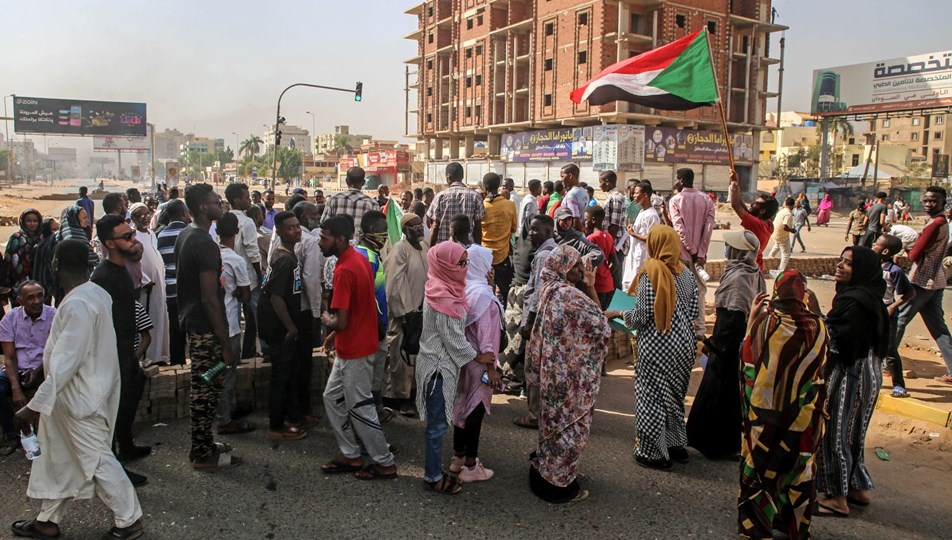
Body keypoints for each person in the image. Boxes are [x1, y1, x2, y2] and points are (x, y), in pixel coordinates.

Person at [10, 239, 143, 540]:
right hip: (79, 393)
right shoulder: (95, 293)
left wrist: (34, 406)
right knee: (61, 456)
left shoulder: (78, 304)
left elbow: (67, 361)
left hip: (78, 397)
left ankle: (129, 519)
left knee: (96, 458)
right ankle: (47, 520)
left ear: (56, 265)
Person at [738, 270, 829, 539]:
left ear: (777, 292)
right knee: (797, 469)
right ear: (801, 294)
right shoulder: (819, 328)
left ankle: (756, 528)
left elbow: (748, 363)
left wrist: (752, 318)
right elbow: (820, 372)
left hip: (764, 416)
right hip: (801, 416)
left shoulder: (766, 324)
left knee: (760, 468)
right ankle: (792, 525)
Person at [607, 226, 698, 470]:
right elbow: (694, 311)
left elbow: (642, 314)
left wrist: (620, 313)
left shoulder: (651, 272)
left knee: (651, 397)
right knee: (675, 396)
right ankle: (676, 444)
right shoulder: (686, 273)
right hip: (685, 344)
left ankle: (653, 454)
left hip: (658, 344)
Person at [529, 244, 609, 503]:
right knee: (572, 430)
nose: (578, 270)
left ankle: (548, 471)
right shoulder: (569, 296)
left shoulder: (550, 289)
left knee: (553, 424)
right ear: (562, 267)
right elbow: (601, 325)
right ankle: (559, 485)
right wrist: (591, 285)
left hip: (552, 374)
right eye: (574, 266)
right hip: (572, 379)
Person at [319, 216, 397, 480]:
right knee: (331, 398)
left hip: (356, 349)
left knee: (359, 406)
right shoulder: (359, 259)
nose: (321, 242)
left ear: (340, 239)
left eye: (325, 237)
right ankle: (351, 454)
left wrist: (326, 320)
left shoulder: (344, 269)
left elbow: (339, 320)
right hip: (353, 345)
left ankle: (383, 461)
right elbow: (363, 305)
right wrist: (334, 336)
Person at [412, 241, 492, 494]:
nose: (465, 268)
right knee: (436, 427)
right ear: (446, 265)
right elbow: (453, 339)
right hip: (438, 368)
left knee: (438, 425)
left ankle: (434, 472)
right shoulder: (444, 297)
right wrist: (478, 357)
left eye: (467, 262)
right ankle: (433, 477)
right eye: (461, 262)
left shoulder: (438, 286)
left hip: (434, 363)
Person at [816, 246, 889, 517]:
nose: (840, 266)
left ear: (861, 270)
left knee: (835, 432)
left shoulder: (855, 302)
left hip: (851, 372)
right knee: (854, 433)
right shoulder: (870, 297)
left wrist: (817, 320)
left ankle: (836, 497)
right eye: (841, 260)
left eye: (848, 263)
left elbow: (840, 342)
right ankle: (856, 487)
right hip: (869, 372)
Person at [175, 183, 241, 470]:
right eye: (216, 201)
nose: (221, 204)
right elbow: (210, 298)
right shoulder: (203, 243)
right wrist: (225, 343)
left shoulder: (188, 235)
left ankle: (203, 443)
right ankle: (202, 454)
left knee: (209, 384)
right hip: (206, 330)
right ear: (203, 207)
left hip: (197, 324)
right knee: (206, 390)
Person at [686, 231, 764, 460]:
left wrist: (715, 345)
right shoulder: (752, 272)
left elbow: (733, 317)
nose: (726, 250)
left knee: (719, 394)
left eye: (729, 247)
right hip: (735, 343)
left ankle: (714, 445)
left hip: (728, 346)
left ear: (737, 251)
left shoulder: (739, 277)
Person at [90, 215, 150, 487]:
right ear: (109, 243)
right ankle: (114, 468)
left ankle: (126, 446)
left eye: (132, 233)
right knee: (114, 409)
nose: (133, 239)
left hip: (127, 351)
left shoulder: (123, 268)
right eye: (126, 237)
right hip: (112, 354)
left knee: (131, 397)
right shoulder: (103, 277)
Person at [451, 245, 503, 483]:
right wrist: (492, 368)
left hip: (465, 358)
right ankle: (471, 466)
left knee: (461, 405)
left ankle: (458, 457)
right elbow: (486, 333)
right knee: (475, 410)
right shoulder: (483, 295)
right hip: (481, 363)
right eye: (488, 263)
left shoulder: (468, 288)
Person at [258, 211, 309, 441]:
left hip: (284, 325)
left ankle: (292, 416)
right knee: (281, 375)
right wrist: (291, 327)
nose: (296, 230)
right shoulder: (284, 260)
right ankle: (276, 425)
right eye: (290, 228)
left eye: (298, 226)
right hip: (279, 327)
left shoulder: (289, 255)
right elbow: (276, 298)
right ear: (279, 232)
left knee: (290, 372)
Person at [894, 187, 952, 386]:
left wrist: (909, 247)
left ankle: (887, 362)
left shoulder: (936, 223)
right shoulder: (941, 222)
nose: (929, 204)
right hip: (937, 280)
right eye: (926, 200)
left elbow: (914, 254)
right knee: (938, 327)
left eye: (934, 201)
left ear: (943, 203)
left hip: (923, 279)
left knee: (899, 318)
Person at [0, 281, 55, 455]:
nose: (37, 301)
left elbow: (56, 352)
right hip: (18, 369)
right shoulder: (10, 318)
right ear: (20, 300)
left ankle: (47, 440)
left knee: (46, 389)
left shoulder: (54, 315)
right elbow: (9, 357)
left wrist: (37, 371)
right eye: (30, 298)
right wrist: (15, 387)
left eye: (40, 295)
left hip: (44, 369)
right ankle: (13, 435)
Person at [514, 215, 558, 429]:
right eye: (530, 230)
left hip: (537, 320)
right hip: (545, 319)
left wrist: (528, 322)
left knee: (533, 369)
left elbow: (539, 292)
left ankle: (534, 415)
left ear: (548, 232)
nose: (531, 234)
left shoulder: (543, 256)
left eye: (536, 230)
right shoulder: (552, 251)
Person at [384, 213, 429, 417]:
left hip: (421, 312)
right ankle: (399, 398)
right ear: (405, 230)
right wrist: (405, 313)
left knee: (417, 356)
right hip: (404, 314)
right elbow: (395, 283)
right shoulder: (400, 250)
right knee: (400, 356)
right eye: (414, 226)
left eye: (420, 225)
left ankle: (414, 394)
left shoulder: (425, 247)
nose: (419, 228)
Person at [215, 213, 255, 435]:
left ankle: (228, 409)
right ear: (237, 233)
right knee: (227, 373)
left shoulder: (212, 255)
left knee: (218, 371)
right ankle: (225, 419)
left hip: (215, 322)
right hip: (230, 324)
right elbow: (246, 296)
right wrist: (238, 292)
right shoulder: (236, 260)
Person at [355, 210, 393, 422]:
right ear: (371, 230)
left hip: (376, 326)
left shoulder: (368, 254)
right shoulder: (367, 258)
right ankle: (371, 415)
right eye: (383, 231)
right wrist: (379, 325)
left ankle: (376, 408)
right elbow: (367, 298)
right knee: (373, 373)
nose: (386, 235)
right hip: (373, 328)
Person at [668, 168, 714, 337]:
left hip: (683, 254)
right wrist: (701, 252)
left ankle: (683, 328)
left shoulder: (675, 200)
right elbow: (709, 228)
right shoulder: (706, 199)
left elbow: (679, 228)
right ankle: (700, 329)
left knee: (680, 291)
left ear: (680, 180)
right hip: (699, 257)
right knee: (700, 291)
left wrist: (692, 251)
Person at [872, 234, 915, 398]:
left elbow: (910, 293)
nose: (873, 245)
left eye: (876, 244)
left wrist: (893, 307)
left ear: (886, 251)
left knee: (889, 350)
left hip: (887, 313)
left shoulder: (894, 271)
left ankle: (899, 386)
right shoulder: (871, 265)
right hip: (871, 310)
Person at [225, 183, 264, 360]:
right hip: (248, 277)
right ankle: (254, 351)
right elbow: (252, 251)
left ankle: (238, 353)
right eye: (247, 197)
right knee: (256, 316)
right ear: (237, 200)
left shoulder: (224, 219)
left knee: (233, 317)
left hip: (229, 277)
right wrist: (259, 274)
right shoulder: (247, 222)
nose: (249, 200)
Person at [129, 203, 170, 366]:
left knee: (160, 318)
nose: (146, 218)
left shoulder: (152, 234)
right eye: (141, 215)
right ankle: (148, 356)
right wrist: (145, 280)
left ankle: (159, 354)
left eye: (148, 214)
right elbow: (132, 262)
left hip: (159, 284)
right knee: (147, 321)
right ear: (133, 218)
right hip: (146, 288)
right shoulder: (133, 236)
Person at [156, 200, 189, 366]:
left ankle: (178, 364)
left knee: (175, 331)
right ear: (184, 213)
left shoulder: (160, 235)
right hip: (186, 290)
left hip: (169, 290)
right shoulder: (188, 232)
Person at [480, 172, 517, 304]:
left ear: (484, 187)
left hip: (484, 256)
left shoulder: (481, 206)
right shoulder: (510, 205)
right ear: (499, 187)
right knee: (506, 290)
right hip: (502, 255)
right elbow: (513, 229)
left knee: (484, 290)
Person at [729, 171, 777, 272]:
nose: (751, 204)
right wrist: (736, 184)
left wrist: (734, 183)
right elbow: (743, 206)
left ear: (762, 211)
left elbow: (735, 205)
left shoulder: (757, 225)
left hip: (748, 269)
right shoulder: (767, 223)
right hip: (754, 266)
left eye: (756, 204)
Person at [427, 162, 486, 245]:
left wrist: (431, 250)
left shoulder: (440, 196)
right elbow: (477, 227)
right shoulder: (475, 196)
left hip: (444, 249)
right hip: (467, 249)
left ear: (448, 177)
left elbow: (435, 226)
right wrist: (477, 248)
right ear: (462, 177)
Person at [320, 167, 380, 240]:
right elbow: (377, 231)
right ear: (363, 182)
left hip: (339, 249)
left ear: (346, 181)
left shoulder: (334, 200)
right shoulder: (372, 203)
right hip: (363, 249)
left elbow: (324, 224)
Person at [622, 181, 661, 291]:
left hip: (643, 257)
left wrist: (634, 234)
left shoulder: (652, 215)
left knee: (638, 286)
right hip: (634, 254)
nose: (633, 196)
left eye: (636, 193)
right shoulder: (642, 212)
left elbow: (652, 238)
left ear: (645, 195)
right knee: (628, 285)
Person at [4, 209, 43, 305]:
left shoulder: (41, 238)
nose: (32, 224)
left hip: (39, 282)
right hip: (19, 284)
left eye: (35, 221)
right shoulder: (16, 237)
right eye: (29, 221)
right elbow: (9, 262)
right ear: (23, 222)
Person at [584, 206, 616, 309]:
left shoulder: (591, 238)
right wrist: (607, 274)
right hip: (608, 284)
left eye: (586, 220)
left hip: (596, 286)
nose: (584, 223)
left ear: (593, 220)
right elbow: (616, 263)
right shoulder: (609, 236)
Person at [598, 170, 629, 255]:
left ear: (607, 182)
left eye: (601, 182)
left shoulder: (615, 198)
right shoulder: (611, 197)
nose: (599, 185)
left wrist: (609, 248)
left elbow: (615, 226)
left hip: (616, 244)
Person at [767, 197, 796, 274]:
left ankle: (768, 261)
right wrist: (791, 230)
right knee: (786, 254)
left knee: (777, 246)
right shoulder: (788, 214)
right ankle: (780, 271)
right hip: (782, 235)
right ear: (793, 205)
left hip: (775, 234)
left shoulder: (782, 211)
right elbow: (784, 226)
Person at [560, 164, 589, 231]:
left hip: (572, 234)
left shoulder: (572, 195)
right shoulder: (584, 192)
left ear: (570, 176)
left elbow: (575, 220)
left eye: (562, 176)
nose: (561, 180)